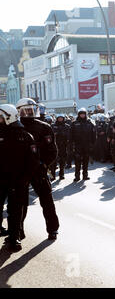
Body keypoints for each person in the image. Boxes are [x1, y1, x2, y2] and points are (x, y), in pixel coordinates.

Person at [16, 98, 60, 240]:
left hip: (39, 169)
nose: (29, 112)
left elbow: (52, 150)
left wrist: (44, 164)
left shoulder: (44, 127)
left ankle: (53, 229)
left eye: (31, 109)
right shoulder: (15, 127)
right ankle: (18, 231)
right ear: (19, 111)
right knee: (20, 204)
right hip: (21, 171)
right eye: (26, 110)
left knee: (47, 201)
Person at [0, 104, 40, 251]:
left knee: (15, 210)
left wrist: (25, 178)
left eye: (1, 117)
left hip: (18, 180)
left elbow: (33, 161)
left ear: (9, 117)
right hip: (1, 179)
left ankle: (14, 237)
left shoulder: (25, 136)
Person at [71, 108, 96, 182]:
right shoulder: (74, 123)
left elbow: (93, 134)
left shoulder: (89, 123)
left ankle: (85, 175)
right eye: (81, 114)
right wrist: (71, 144)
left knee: (85, 161)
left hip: (87, 145)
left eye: (83, 114)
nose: (82, 115)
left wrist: (92, 144)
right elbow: (71, 135)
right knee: (77, 162)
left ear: (85, 114)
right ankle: (77, 176)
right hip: (78, 145)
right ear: (79, 114)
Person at [50, 114, 71, 181]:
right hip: (54, 146)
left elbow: (69, 136)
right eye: (59, 118)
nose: (60, 119)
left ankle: (61, 175)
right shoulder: (53, 126)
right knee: (53, 162)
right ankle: (52, 176)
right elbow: (50, 135)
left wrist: (67, 141)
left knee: (62, 161)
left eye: (61, 118)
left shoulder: (67, 126)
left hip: (63, 146)